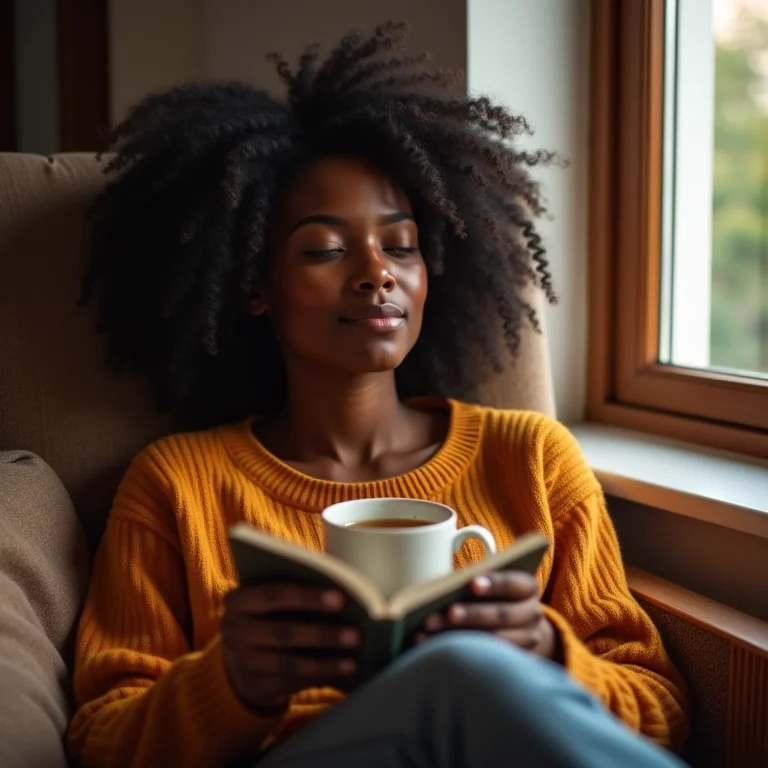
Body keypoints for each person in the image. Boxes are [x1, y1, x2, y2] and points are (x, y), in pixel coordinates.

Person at [68, 21, 689, 768]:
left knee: (474, 675)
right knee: (460, 674)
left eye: (400, 246)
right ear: (256, 287)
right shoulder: (177, 484)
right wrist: (229, 683)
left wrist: (551, 653)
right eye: (326, 250)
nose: (378, 273)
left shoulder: (530, 458)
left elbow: (658, 712)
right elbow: (100, 742)